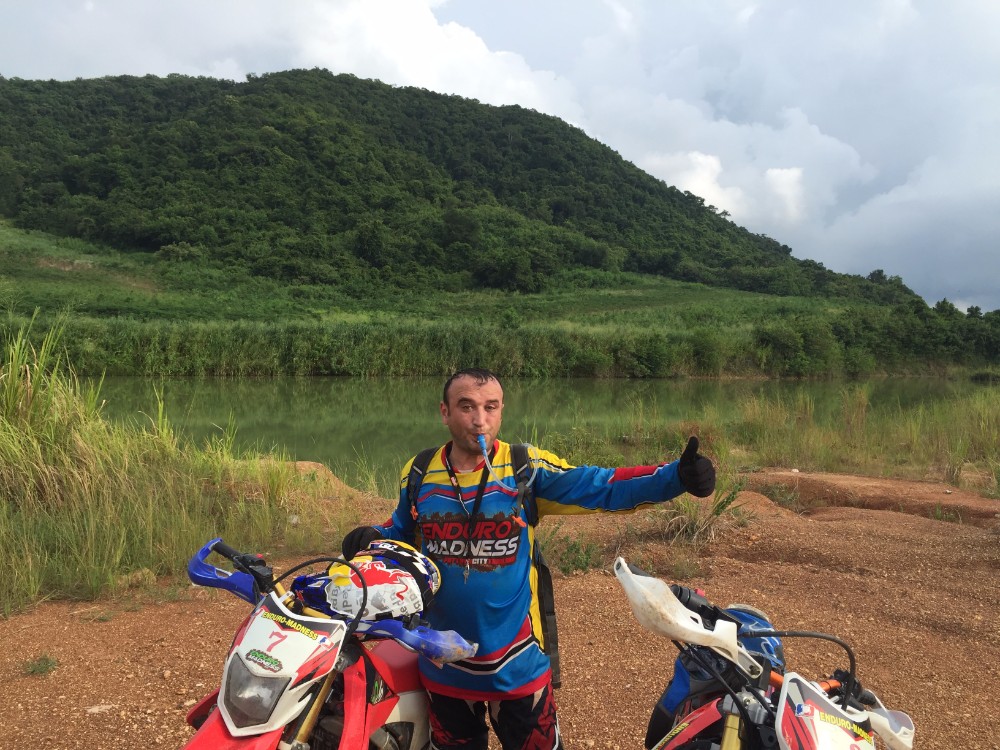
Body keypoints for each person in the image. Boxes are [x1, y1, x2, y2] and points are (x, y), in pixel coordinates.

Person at [341, 367, 716, 750]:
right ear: (445, 411)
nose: (480, 420)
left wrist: (675, 477)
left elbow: (600, 486)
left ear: (502, 411)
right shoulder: (419, 472)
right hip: (442, 666)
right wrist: (374, 538)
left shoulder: (525, 469)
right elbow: (402, 532)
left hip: (516, 667)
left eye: (491, 407)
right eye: (467, 407)